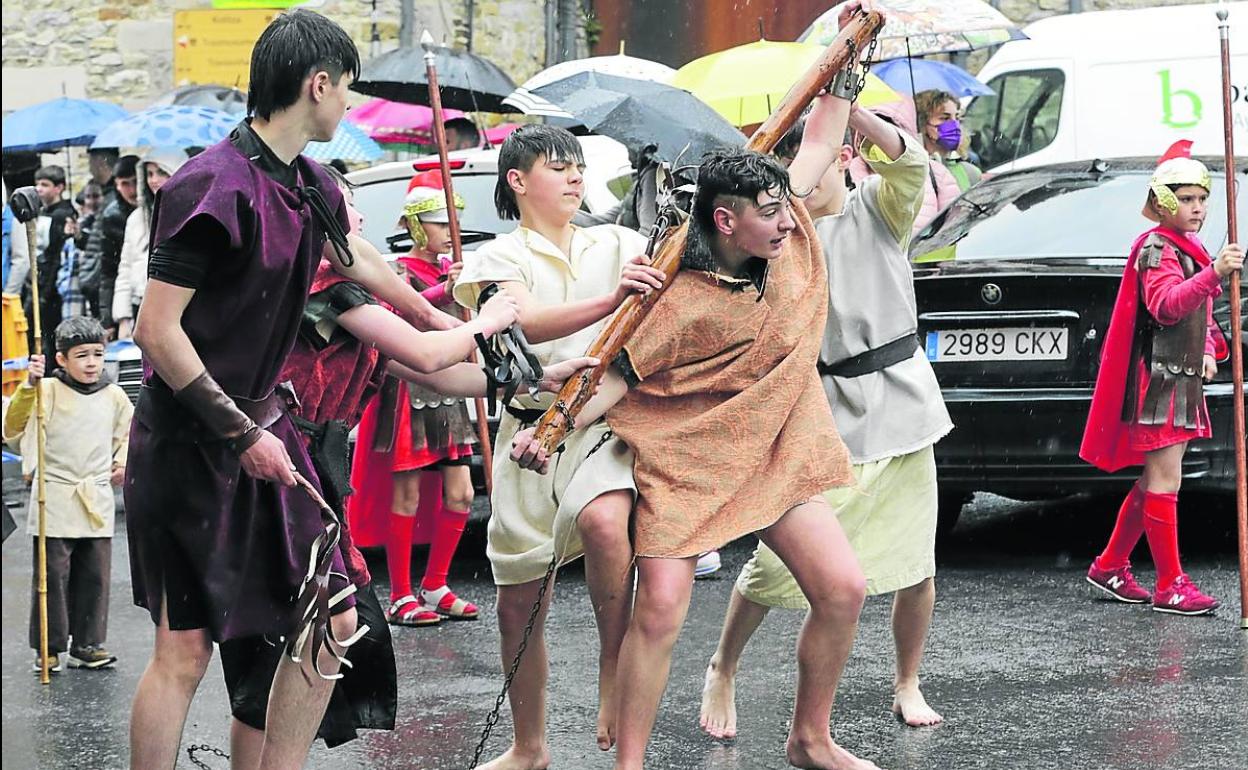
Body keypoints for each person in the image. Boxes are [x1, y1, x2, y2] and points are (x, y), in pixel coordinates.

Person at [511, 82, 880, 770]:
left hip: (777, 440)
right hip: (687, 456)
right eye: (768, 215)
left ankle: (811, 737)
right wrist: (549, 431)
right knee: (662, 608)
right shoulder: (677, 298)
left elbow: (824, 139)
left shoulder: (784, 228)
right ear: (726, 221)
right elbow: (614, 379)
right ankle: (631, 763)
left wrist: (846, 66)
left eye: (783, 209)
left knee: (842, 588)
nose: (786, 223)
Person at [124, 10, 454, 769]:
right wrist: (241, 433)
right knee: (184, 653)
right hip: (191, 446)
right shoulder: (211, 184)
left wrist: (446, 315)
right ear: (318, 84)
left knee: (328, 621)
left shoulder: (312, 184)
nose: (349, 105)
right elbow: (156, 331)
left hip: (269, 435)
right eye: (347, 90)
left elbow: (364, 261)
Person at [217, 165, 569, 763]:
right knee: (306, 632)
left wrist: (532, 377)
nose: (359, 223)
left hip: (309, 469)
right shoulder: (322, 280)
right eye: (350, 212)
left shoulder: (349, 284)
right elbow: (430, 347)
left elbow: (440, 370)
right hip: (278, 467)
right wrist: (486, 321)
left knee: (293, 643)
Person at [699, 105, 953, 744]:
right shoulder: (781, 240)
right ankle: (722, 665)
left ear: (843, 157)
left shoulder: (878, 207)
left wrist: (847, 105)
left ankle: (907, 681)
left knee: (916, 562)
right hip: (824, 410)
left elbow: (912, 162)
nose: (798, 184)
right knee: (774, 564)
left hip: (902, 400)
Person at [451, 123, 663, 767]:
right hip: (526, 434)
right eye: (558, 167)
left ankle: (610, 667)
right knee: (518, 603)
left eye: (578, 166)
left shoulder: (618, 239)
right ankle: (528, 745)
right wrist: (612, 298)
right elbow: (519, 318)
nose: (575, 176)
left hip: (603, 423)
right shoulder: (495, 259)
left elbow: (676, 266)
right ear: (517, 182)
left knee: (604, 522)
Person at [1080, 140, 1242, 617]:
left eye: (1201, 198)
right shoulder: (1156, 248)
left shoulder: (1185, 246)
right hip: (1160, 382)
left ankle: (1110, 564)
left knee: (1156, 478)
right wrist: (1214, 272)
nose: (1198, 208)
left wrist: (1211, 346)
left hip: (1180, 376)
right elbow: (1167, 305)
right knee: (1165, 481)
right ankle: (1170, 583)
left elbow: (1198, 313)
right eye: (1187, 199)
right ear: (1164, 201)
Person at [348, 171, 485, 627]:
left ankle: (437, 584)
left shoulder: (456, 270)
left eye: (455, 222)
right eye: (443, 223)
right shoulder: (397, 271)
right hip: (407, 392)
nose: (452, 231)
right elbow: (396, 315)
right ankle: (402, 594)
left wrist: (466, 292)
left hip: (448, 393)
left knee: (462, 492)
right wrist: (443, 291)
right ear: (417, 226)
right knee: (404, 496)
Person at [3, 317, 132, 673]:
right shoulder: (45, 391)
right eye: (82, 355)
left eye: (97, 354)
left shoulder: (114, 395)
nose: (92, 363)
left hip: (95, 493)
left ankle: (88, 643)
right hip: (55, 494)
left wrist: (122, 463)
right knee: (51, 576)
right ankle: (49, 645)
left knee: (95, 575)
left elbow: (126, 436)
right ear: (61, 359)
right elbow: (12, 427)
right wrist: (29, 386)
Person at [113, 149, 193, 339]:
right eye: (149, 174)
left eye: (162, 172)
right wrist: (123, 317)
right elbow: (125, 268)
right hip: (140, 304)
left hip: (180, 307)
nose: (154, 180)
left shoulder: (193, 214)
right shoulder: (137, 218)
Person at [848, 98, 958, 234]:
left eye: (891, 129)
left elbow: (952, 230)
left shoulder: (937, 174)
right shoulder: (847, 172)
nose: (882, 139)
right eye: (874, 130)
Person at [81, 155, 138, 326]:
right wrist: (107, 319)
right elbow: (109, 269)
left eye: (135, 182)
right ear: (117, 185)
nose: (132, 190)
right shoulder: (112, 215)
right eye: (125, 184)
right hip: (127, 293)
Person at [26, 166, 75, 354]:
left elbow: (56, 254)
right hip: (39, 280)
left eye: (45, 184)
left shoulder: (62, 214)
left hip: (52, 287)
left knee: (50, 337)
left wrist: (47, 290)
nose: (39, 188)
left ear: (59, 187)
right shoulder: (42, 212)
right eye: (37, 184)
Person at [914, 89, 981, 193]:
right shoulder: (914, 174)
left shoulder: (970, 173)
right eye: (944, 118)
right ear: (923, 124)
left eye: (957, 117)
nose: (954, 125)